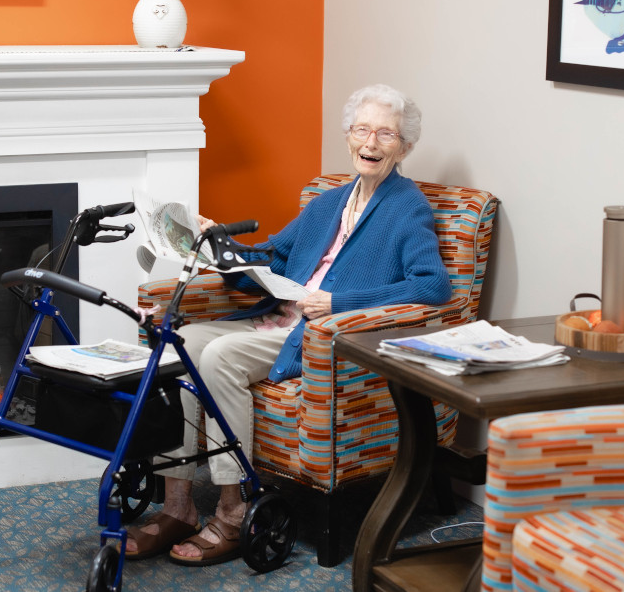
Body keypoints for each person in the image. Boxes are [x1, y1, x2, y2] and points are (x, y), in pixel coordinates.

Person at [125, 83, 452, 566]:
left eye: (386, 134)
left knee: (216, 356)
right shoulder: (328, 201)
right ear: (348, 136)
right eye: (363, 129)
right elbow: (274, 255)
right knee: (174, 345)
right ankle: (178, 505)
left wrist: (341, 300)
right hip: (275, 316)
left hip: (314, 335)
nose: (371, 142)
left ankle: (233, 512)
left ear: (404, 147)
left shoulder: (408, 208)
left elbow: (433, 287)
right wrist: (213, 240)